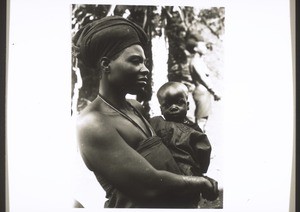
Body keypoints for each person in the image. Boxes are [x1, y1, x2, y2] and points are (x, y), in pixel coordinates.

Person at [73, 16, 219, 208]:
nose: (145, 69)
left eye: (145, 62)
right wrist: (201, 182)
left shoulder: (135, 107)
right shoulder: (92, 123)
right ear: (105, 64)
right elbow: (149, 185)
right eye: (135, 61)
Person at [149, 81, 212, 178]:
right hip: (162, 171)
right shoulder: (157, 123)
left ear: (187, 106)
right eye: (167, 105)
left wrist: (200, 169)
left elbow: (204, 150)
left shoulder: (193, 129)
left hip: (187, 173)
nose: (174, 107)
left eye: (179, 103)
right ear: (161, 109)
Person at [181, 34, 221, 132]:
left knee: (203, 120)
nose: (205, 47)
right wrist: (214, 92)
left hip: (204, 92)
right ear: (195, 49)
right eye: (201, 46)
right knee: (201, 121)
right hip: (202, 92)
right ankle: (198, 143)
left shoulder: (199, 61)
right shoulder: (196, 62)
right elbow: (203, 79)